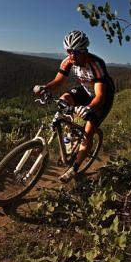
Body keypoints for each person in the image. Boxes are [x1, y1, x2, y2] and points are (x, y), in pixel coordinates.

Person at [33, 30, 115, 182]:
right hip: (85, 90)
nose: (72, 56)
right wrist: (45, 87)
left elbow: (100, 96)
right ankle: (71, 132)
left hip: (102, 96)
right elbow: (58, 82)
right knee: (64, 100)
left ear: (84, 51)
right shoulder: (68, 61)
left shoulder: (96, 65)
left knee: (89, 130)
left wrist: (89, 108)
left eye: (76, 52)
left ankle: (75, 167)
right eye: (69, 51)